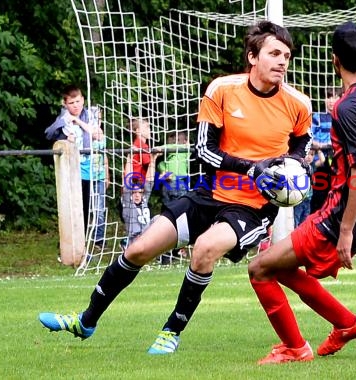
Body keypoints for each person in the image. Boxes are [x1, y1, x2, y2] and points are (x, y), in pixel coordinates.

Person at [38, 20, 312, 355]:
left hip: (252, 208)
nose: (282, 61)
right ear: (253, 57)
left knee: (205, 250)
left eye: (286, 55)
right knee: (139, 249)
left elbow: (302, 144)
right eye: (274, 53)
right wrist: (252, 168)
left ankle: (172, 331)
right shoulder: (223, 90)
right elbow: (204, 150)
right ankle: (86, 321)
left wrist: (293, 167)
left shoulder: (298, 103)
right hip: (209, 193)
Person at [247, 21, 356, 365]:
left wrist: (345, 230)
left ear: (334, 60)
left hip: (337, 217)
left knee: (259, 269)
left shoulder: (345, 108)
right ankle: (347, 324)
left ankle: (295, 348)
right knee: (280, 268)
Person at [45, 85, 108, 248]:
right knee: (72, 207)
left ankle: (86, 241)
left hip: (91, 168)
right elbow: (49, 134)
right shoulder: (63, 119)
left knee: (89, 208)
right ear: (65, 103)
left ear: (83, 100)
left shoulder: (91, 115)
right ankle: (67, 243)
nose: (76, 105)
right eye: (71, 102)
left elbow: (97, 135)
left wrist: (79, 121)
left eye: (78, 101)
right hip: (72, 170)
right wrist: (65, 133)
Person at [120, 152, 161, 251]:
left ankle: (165, 254)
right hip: (136, 238)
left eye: (140, 192)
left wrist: (153, 159)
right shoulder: (128, 204)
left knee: (158, 218)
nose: (137, 195)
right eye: (134, 192)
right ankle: (126, 244)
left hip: (147, 237)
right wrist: (129, 158)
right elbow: (128, 179)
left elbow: (149, 181)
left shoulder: (144, 201)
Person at [310, 87, 342, 213]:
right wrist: (321, 146)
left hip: (337, 163)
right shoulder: (318, 117)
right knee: (318, 199)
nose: (330, 100)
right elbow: (310, 137)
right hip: (319, 164)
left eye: (334, 97)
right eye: (328, 97)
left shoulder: (342, 117)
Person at [157, 131, 190, 207]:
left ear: (185, 141)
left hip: (178, 182)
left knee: (180, 208)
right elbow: (160, 165)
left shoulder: (183, 151)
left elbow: (172, 147)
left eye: (178, 140)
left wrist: (159, 148)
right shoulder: (168, 159)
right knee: (169, 208)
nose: (175, 143)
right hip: (167, 185)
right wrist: (164, 172)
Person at [293, 148, 324, 227]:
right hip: (299, 199)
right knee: (296, 220)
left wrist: (319, 149)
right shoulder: (299, 166)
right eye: (308, 154)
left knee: (304, 220)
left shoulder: (312, 166)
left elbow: (322, 160)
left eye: (312, 155)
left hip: (308, 199)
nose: (309, 157)